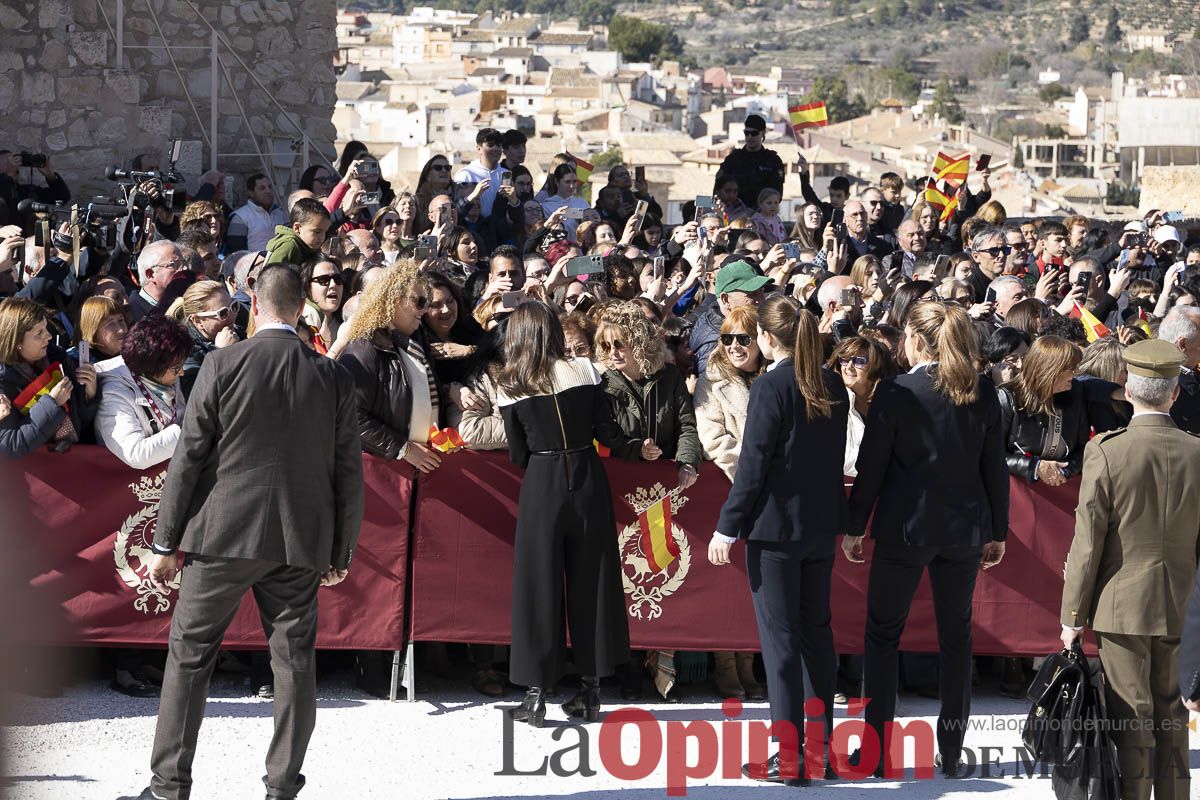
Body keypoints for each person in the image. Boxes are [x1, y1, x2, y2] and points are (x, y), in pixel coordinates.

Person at [119, 264, 364, 800]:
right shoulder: (333, 376)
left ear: (254, 305)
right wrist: (341, 550)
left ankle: (168, 787)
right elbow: (349, 470)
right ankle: (282, 788)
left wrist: (164, 542)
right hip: (299, 540)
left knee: (189, 656)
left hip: (220, 534)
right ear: (300, 308)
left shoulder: (222, 363)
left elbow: (189, 457)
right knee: (294, 664)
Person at [843, 301, 1008, 778]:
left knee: (883, 636)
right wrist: (997, 530)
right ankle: (951, 751)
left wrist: (855, 525)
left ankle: (876, 751)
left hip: (906, 529)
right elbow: (993, 468)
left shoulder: (897, 391)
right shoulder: (981, 390)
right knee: (956, 638)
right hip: (962, 531)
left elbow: (872, 467)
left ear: (915, 339)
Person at [708, 295, 847, 786]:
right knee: (816, 637)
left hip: (775, 531)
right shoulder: (831, 382)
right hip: (819, 528)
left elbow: (753, 464)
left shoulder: (771, 385)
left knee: (782, 642)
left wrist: (727, 526)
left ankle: (790, 756)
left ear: (766, 338)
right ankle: (818, 750)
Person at [1061, 338, 1200, 800]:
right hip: (1182, 603)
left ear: (1126, 388)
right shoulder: (1196, 452)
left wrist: (1071, 617)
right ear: (1175, 394)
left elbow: (1088, 543)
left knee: (1132, 718)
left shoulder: (1106, 450)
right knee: (1172, 718)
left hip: (1121, 606)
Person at [496, 302, 646, 727]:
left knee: (538, 585)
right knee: (593, 581)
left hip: (543, 480)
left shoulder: (510, 385)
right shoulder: (585, 370)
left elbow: (518, 452)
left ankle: (535, 695)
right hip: (587, 476)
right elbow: (608, 432)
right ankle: (590, 692)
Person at [693, 305, 768, 702]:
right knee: (727, 582)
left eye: (744, 338)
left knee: (757, 583)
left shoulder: (773, 378)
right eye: (727, 339)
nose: (735, 346)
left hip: (769, 497)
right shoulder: (712, 381)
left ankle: (749, 661)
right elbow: (714, 439)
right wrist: (754, 473)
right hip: (731, 489)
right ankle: (726, 663)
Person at [336, 261, 441, 474]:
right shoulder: (364, 348)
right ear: (394, 300)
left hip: (418, 471)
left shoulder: (414, 343)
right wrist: (403, 449)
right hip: (386, 473)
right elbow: (347, 415)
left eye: (427, 302)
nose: (425, 310)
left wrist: (454, 391)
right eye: (420, 301)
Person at [0, 297, 98, 457]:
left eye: (46, 327)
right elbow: (10, 444)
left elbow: (80, 422)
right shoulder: (3, 382)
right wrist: (52, 403)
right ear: (17, 342)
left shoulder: (58, 358)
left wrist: (89, 395)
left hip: (73, 459)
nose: (49, 336)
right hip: (36, 469)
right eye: (39, 333)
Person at [94, 315, 192, 469]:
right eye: (176, 368)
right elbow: (135, 454)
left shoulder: (166, 371)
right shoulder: (113, 393)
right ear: (151, 368)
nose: (181, 373)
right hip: (129, 479)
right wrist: (190, 429)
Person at [996, 335, 1090, 486]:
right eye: (1071, 368)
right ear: (1051, 370)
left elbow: (1083, 446)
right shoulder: (1007, 397)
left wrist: (1064, 471)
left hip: (1061, 487)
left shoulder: (1075, 392)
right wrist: (1034, 467)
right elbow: (993, 454)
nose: (1076, 372)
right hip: (1019, 491)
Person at [828, 336, 897, 477]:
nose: (848, 367)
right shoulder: (832, 405)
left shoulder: (891, 406)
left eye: (859, 361)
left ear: (876, 368)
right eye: (844, 360)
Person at [166, 280, 239, 400]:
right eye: (223, 313)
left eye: (234, 306)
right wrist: (220, 352)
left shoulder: (236, 331)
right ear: (198, 321)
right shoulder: (184, 351)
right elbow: (196, 395)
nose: (232, 316)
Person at [716, 114, 785, 211]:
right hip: (734, 212)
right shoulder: (733, 159)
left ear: (762, 134)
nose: (749, 137)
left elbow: (777, 193)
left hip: (762, 214)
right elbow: (718, 189)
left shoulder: (773, 161)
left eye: (754, 133)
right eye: (746, 133)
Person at [228, 173, 288, 252]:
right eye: (262, 188)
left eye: (270, 187)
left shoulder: (281, 214)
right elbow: (237, 252)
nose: (268, 191)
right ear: (251, 193)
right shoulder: (240, 217)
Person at [128, 241, 186, 322]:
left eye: (183, 264)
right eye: (173, 265)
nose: (183, 269)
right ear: (150, 274)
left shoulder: (186, 305)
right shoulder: (130, 315)